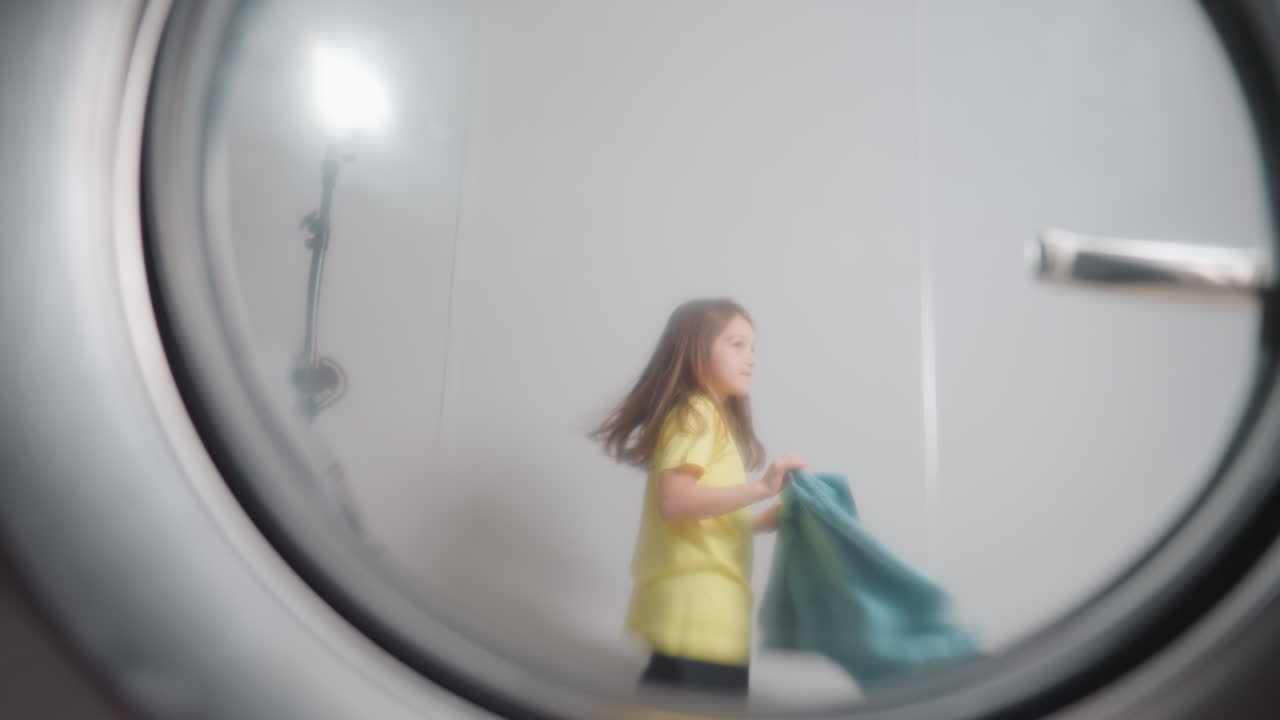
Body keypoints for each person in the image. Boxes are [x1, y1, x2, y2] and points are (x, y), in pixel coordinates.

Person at [592, 297, 808, 698]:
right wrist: (762, 488)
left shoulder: (706, 416)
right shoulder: (696, 413)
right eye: (737, 344)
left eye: (753, 347)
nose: (752, 358)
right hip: (700, 606)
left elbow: (698, 512)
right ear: (695, 350)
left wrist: (763, 520)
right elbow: (674, 503)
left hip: (698, 605)